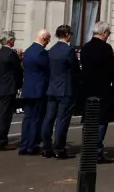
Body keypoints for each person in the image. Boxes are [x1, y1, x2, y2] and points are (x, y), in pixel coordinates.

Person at [80, 21, 114, 164]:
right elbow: (111, 69)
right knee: (101, 121)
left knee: (89, 120)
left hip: (87, 88)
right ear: (104, 33)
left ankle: (87, 149)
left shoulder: (85, 47)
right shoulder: (106, 48)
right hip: (102, 88)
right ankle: (97, 152)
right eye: (108, 33)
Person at [41, 25, 80, 159]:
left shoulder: (51, 50)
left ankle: (46, 147)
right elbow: (75, 69)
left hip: (52, 88)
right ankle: (59, 148)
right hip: (65, 89)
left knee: (49, 118)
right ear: (67, 35)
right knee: (62, 120)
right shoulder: (68, 51)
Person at [0, 31, 23, 151]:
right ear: (9, 41)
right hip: (7, 88)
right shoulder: (11, 54)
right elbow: (17, 71)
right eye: (13, 40)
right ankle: (1, 141)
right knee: (4, 116)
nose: (14, 41)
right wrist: (18, 85)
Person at [18, 29, 51, 156]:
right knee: (36, 119)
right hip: (39, 90)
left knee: (27, 118)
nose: (48, 42)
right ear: (44, 39)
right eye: (48, 40)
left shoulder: (28, 51)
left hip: (28, 88)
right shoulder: (42, 53)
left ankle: (23, 145)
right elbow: (47, 71)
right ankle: (32, 145)